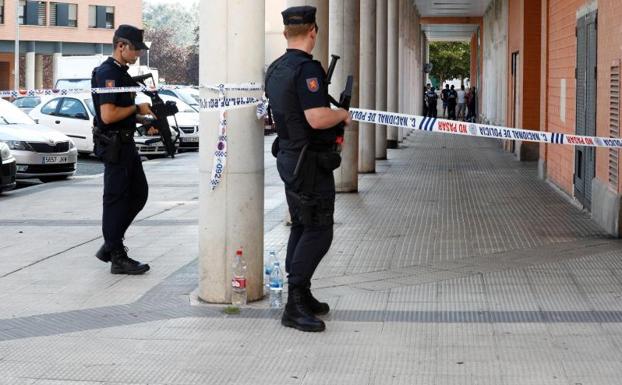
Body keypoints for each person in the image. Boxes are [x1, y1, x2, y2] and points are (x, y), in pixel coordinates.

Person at [265, 5, 351, 332]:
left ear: (287, 32)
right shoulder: (308, 69)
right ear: (313, 31)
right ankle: (295, 303)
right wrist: (342, 115)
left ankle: (302, 293)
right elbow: (316, 117)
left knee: (301, 225)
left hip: (289, 157)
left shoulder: (275, 69)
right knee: (319, 229)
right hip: (309, 162)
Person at [91, 25, 155, 275]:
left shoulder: (121, 73)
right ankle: (116, 255)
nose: (138, 53)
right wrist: (137, 110)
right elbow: (108, 115)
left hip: (125, 143)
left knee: (139, 194)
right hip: (115, 146)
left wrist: (144, 119)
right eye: (136, 48)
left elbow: (120, 113)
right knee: (116, 200)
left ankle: (111, 244)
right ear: (121, 46)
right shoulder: (108, 73)